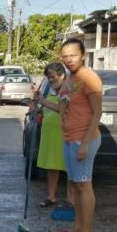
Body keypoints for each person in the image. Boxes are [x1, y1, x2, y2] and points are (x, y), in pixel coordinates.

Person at [55, 38, 103, 232]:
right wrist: (40, 101)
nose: (68, 59)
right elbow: (63, 108)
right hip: (69, 138)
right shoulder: (70, 79)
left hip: (84, 139)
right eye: (65, 56)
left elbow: (97, 113)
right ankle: (76, 228)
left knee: (84, 185)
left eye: (73, 55)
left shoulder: (89, 78)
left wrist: (84, 143)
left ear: (83, 55)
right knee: (75, 184)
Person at [33, 63, 72, 208]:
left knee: (69, 166)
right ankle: (51, 196)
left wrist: (44, 101)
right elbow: (44, 110)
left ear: (62, 75)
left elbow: (61, 109)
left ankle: (70, 199)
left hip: (64, 133)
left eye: (53, 77)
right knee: (51, 166)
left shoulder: (68, 89)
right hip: (49, 133)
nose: (50, 80)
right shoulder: (50, 89)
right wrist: (35, 107)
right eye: (48, 77)